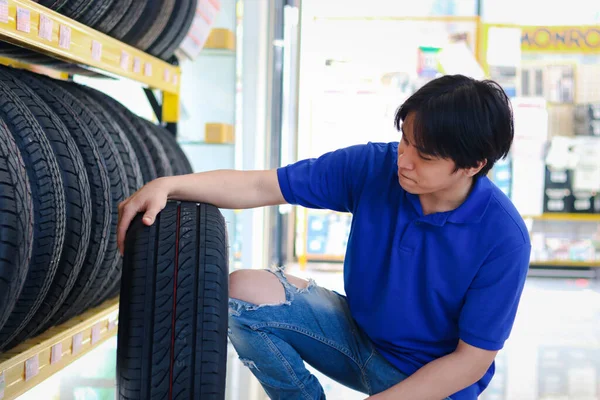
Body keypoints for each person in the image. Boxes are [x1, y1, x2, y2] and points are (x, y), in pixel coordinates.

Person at [117, 74, 531, 400]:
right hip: (358, 338)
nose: (403, 160)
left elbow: (470, 362)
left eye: (423, 156)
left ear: (473, 165)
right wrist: (170, 185)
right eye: (405, 139)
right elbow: (264, 186)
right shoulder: (376, 166)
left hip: (431, 383)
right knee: (243, 291)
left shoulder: (503, 238)